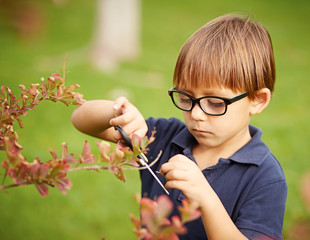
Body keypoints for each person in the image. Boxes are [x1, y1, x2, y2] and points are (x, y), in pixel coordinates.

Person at [71, 14, 287, 240]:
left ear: (257, 100)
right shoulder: (163, 138)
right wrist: (116, 113)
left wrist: (207, 201)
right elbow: (80, 118)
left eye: (215, 103)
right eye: (186, 97)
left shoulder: (265, 177)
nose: (195, 114)